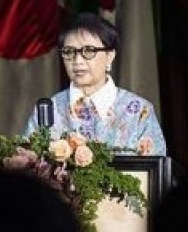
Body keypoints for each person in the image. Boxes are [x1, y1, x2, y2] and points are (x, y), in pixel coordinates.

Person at [24, 12, 167, 156]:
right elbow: (27, 171)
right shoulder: (48, 110)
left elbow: (155, 172)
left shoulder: (140, 112)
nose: (77, 61)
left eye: (89, 51)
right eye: (69, 52)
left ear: (110, 55)